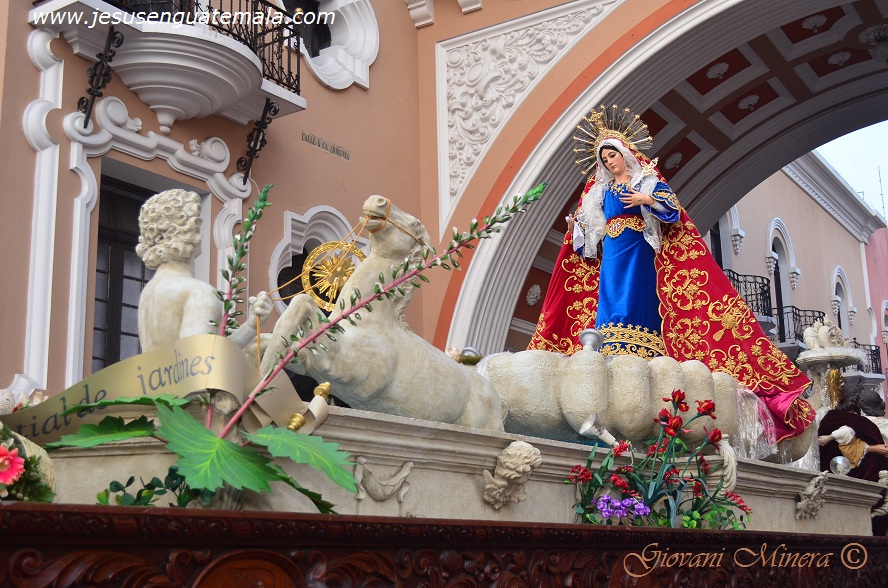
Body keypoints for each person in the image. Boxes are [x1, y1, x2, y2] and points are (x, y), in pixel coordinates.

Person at [528, 104, 813, 443]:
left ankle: (643, 346)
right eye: (604, 159)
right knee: (609, 294)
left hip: (638, 249)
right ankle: (608, 345)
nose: (609, 162)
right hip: (613, 251)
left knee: (635, 294)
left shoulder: (645, 180)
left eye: (612, 156)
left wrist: (646, 200)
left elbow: (672, 211)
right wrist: (576, 227)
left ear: (624, 154)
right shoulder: (599, 192)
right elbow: (588, 237)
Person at [136, 189, 272, 352]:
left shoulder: (148, 293)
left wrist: (250, 326)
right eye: (198, 226)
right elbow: (198, 359)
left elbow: (188, 357)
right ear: (188, 231)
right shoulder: (199, 292)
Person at [818, 386, 888, 535]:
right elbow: (848, 446)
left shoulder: (859, 423)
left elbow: (848, 444)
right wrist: (873, 449)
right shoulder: (859, 423)